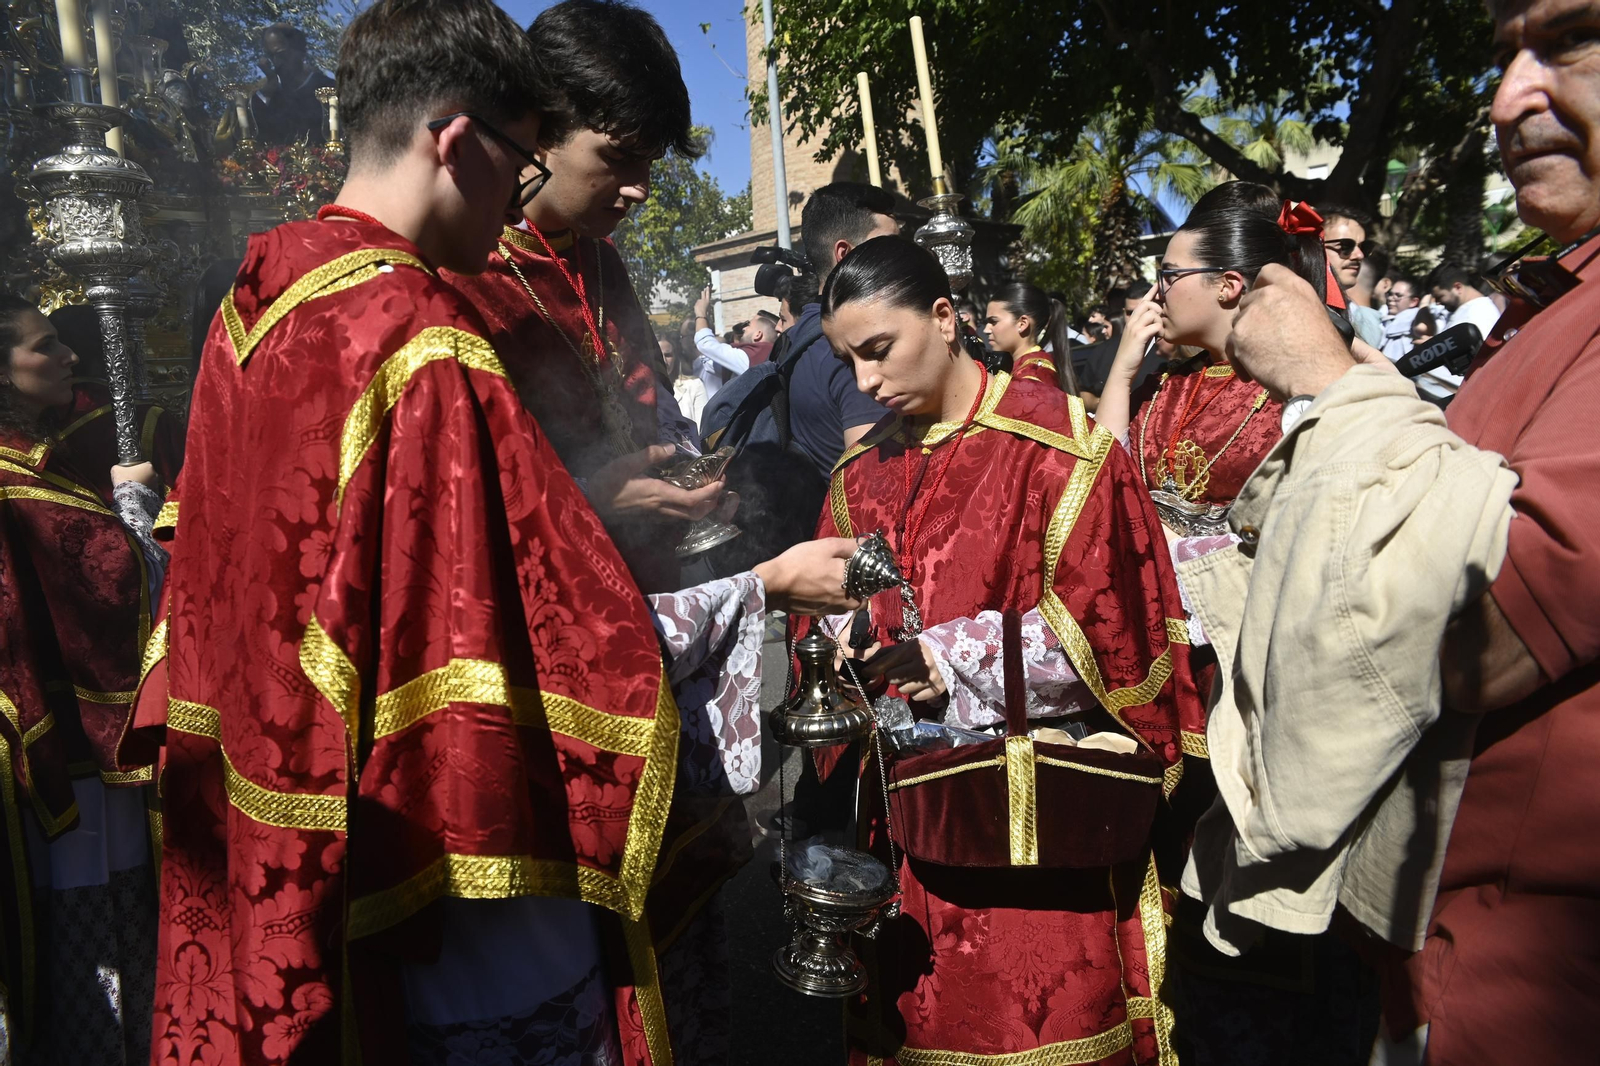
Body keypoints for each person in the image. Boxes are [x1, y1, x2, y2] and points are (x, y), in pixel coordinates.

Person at [116, 4, 861, 1063]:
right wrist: (762, 589)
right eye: (520, 155)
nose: (518, 190)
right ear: (462, 141)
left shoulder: (261, 298)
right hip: (455, 832)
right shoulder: (424, 337)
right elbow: (557, 644)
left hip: (291, 806)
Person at [1208, 0, 1600, 1058]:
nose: (1510, 96)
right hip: (1437, 952)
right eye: (1503, 56)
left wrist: (1333, 383)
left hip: (1533, 991)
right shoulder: (1558, 297)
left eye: (1569, 41)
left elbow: (1473, 631)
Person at [810, 237, 1205, 1065]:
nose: (867, 384)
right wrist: (831, 648)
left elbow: (1115, 634)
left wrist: (949, 661)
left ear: (946, 318)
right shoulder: (857, 477)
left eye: (880, 350)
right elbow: (819, 615)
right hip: (896, 824)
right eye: (848, 361)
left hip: (1027, 826)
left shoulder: (1062, 452)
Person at [443, 0, 710, 596]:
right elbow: (460, 487)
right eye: (617, 157)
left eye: (649, 161)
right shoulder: (466, 266)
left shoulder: (600, 256)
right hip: (541, 588)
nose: (640, 189)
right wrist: (591, 497)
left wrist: (687, 462)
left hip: (650, 569)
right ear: (539, 131)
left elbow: (648, 391)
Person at [0, 295, 181, 1064]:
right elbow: (112, 595)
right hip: (69, 768)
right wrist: (139, 516)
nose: (68, 356)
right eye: (44, 348)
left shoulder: (29, 462)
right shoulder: (17, 485)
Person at [1094, 183, 1312, 538]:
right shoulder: (1165, 385)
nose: (1156, 293)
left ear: (1227, 286)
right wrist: (1121, 372)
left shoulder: (1292, 389)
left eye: (1169, 275)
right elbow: (1097, 478)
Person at [248, 22, 335, 145]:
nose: (276, 62)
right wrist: (267, 90)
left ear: (300, 51)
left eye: (280, 54)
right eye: (270, 56)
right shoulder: (271, 95)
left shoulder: (330, 90)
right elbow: (249, 133)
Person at [982, 280, 1079, 390]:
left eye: (993, 322)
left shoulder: (1034, 375)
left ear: (1022, 324)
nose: (986, 330)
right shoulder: (1021, 366)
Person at [690, 286, 776, 397]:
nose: (744, 328)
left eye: (749, 325)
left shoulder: (754, 356)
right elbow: (712, 365)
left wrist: (700, 314)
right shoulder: (765, 355)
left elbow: (705, 343)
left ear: (758, 335)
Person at [1321, 207, 1386, 347]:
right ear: (1313, 248)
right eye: (1345, 246)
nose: (1359, 255)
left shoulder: (1356, 314)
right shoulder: (1290, 303)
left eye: (1364, 247)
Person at [661, 336, 706, 425]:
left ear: (675, 358)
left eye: (668, 355)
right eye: (658, 356)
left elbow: (703, 429)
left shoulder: (695, 386)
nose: (664, 361)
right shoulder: (640, 390)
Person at [1381, 274, 1426, 359]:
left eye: (1398, 296)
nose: (1390, 298)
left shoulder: (1417, 322)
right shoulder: (1384, 320)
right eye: (1390, 294)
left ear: (1413, 301)